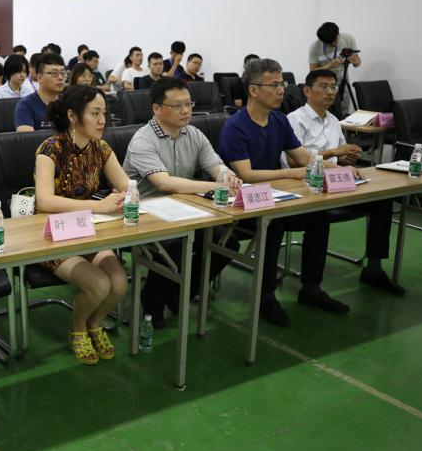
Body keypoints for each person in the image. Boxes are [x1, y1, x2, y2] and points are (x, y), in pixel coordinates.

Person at [219, 58, 349, 327]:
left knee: (318, 217)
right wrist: (290, 174)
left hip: (277, 197)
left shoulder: (278, 120)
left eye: (283, 84)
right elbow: (247, 174)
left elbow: (303, 157)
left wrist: (339, 170)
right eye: (274, 85)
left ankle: (311, 288)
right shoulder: (236, 126)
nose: (282, 90)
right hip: (242, 203)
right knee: (273, 224)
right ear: (254, 90)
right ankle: (266, 297)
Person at [123, 77, 242, 327]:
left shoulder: (194, 133)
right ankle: (152, 302)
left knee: (226, 242)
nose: (186, 110)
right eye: (178, 105)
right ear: (156, 108)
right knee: (176, 246)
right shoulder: (143, 140)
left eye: (189, 104)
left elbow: (216, 167)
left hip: (186, 211)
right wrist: (216, 186)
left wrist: (228, 177)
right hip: (146, 216)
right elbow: (165, 183)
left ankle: (181, 292)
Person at [34, 85, 129, 364]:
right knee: (99, 284)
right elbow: (45, 201)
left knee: (119, 283)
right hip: (52, 234)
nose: (102, 121)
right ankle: (78, 329)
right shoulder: (50, 149)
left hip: (87, 229)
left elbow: (126, 185)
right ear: (73, 116)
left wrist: (126, 195)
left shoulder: (101, 148)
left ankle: (95, 324)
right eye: (95, 113)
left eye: (104, 113)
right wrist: (98, 206)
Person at [287, 69, 403, 295]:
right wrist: (335, 153)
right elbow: (293, 161)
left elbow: (338, 157)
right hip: (307, 184)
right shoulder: (295, 119)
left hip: (336, 182)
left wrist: (345, 158)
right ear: (307, 91)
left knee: (381, 201)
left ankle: (374, 268)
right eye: (323, 86)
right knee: (318, 216)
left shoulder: (333, 120)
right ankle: (311, 287)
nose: (330, 92)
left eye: (333, 87)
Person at [308, 22, 361, 116]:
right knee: (326, 113)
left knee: (343, 113)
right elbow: (312, 72)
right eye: (330, 43)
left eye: (335, 40)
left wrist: (355, 61)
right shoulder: (315, 47)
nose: (334, 43)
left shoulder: (348, 39)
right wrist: (330, 65)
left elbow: (357, 63)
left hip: (343, 83)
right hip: (324, 85)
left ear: (338, 33)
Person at [15, 53, 65, 132]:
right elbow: (26, 138)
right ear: (40, 78)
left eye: (63, 73)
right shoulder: (26, 105)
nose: (60, 78)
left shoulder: (68, 103)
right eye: (54, 73)